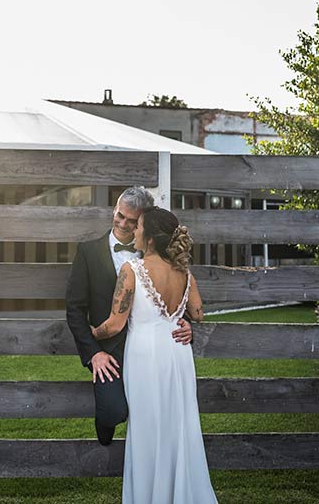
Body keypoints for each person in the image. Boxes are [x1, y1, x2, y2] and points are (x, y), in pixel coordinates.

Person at [91, 206, 218, 503]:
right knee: (178, 425)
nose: (133, 230)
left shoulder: (131, 270)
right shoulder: (184, 272)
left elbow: (114, 324)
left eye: (139, 227)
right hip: (177, 354)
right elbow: (197, 313)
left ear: (148, 238)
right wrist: (181, 320)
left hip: (145, 358)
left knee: (147, 429)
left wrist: (91, 332)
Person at [65, 187, 193, 447]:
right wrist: (93, 353)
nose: (122, 223)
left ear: (143, 223)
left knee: (157, 419)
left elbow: (181, 298)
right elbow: (75, 308)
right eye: (119, 215)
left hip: (151, 353)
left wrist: (185, 323)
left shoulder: (160, 257)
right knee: (113, 411)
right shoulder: (88, 251)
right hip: (108, 352)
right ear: (115, 208)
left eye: (131, 221)